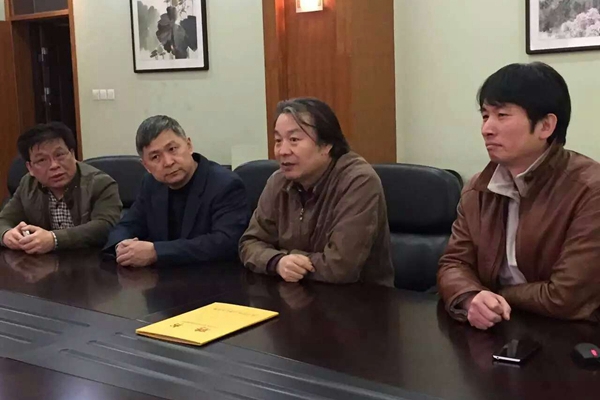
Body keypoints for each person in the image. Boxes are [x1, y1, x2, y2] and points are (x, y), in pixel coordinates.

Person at [438, 62, 600, 329]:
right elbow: (454, 263)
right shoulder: (478, 188)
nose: (487, 129)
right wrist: (471, 297)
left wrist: (497, 294)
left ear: (546, 126)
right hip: (495, 328)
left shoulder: (589, 190)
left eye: (502, 115)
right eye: (485, 116)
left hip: (570, 335)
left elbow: (565, 297)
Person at [239, 97, 394, 286]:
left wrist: (287, 258)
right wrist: (277, 262)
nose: (282, 151)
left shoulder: (358, 181)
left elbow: (340, 267)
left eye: (294, 140)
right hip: (294, 293)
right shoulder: (278, 181)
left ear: (327, 144)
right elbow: (249, 243)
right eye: (278, 140)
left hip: (358, 297)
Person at [104, 115, 249, 267]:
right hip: (159, 278)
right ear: (146, 165)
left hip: (212, 277)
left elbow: (227, 243)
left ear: (189, 145)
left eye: (172, 149)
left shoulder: (225, 184)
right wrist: (122, 246)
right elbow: (126, 226)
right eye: (155, 157)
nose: (168, 162)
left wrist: (156, 252)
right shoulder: (151, 184)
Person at [0, 122, 122, 254]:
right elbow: (4, 220)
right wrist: (6, 235)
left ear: (73, 154)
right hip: (43, 263)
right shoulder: (28, 184)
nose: (54, 165)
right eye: (42, 160)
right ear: (30, 168)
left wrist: (54, 239)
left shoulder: (100, 183)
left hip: (92, 260)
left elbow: (105, 227)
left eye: (59, 155)